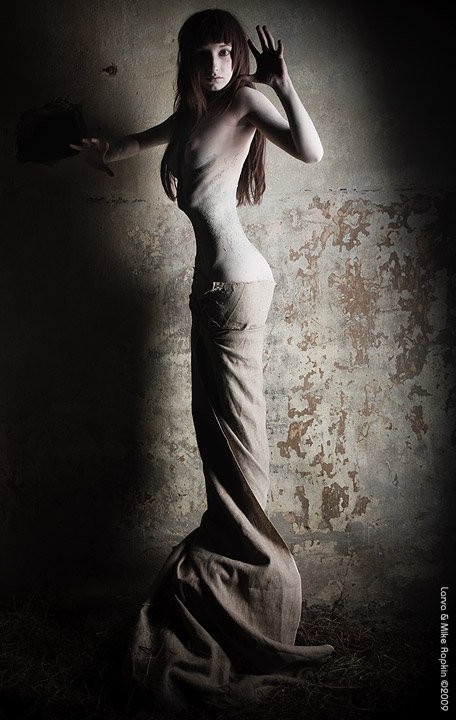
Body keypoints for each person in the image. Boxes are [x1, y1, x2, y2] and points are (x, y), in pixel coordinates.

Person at [71, 8, 334, 711]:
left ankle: (263, 598)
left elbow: (311, 152)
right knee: (219, 444)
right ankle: (238, 599)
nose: (215, 65)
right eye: (202, 53)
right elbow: (135, 140)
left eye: (225, 52)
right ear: (188, 59)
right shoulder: (191, 113)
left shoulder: (246, 100)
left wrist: (283, 84)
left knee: (239, 448)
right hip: (213, 293)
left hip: (236, 290)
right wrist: (99, 147)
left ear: (237, 56)